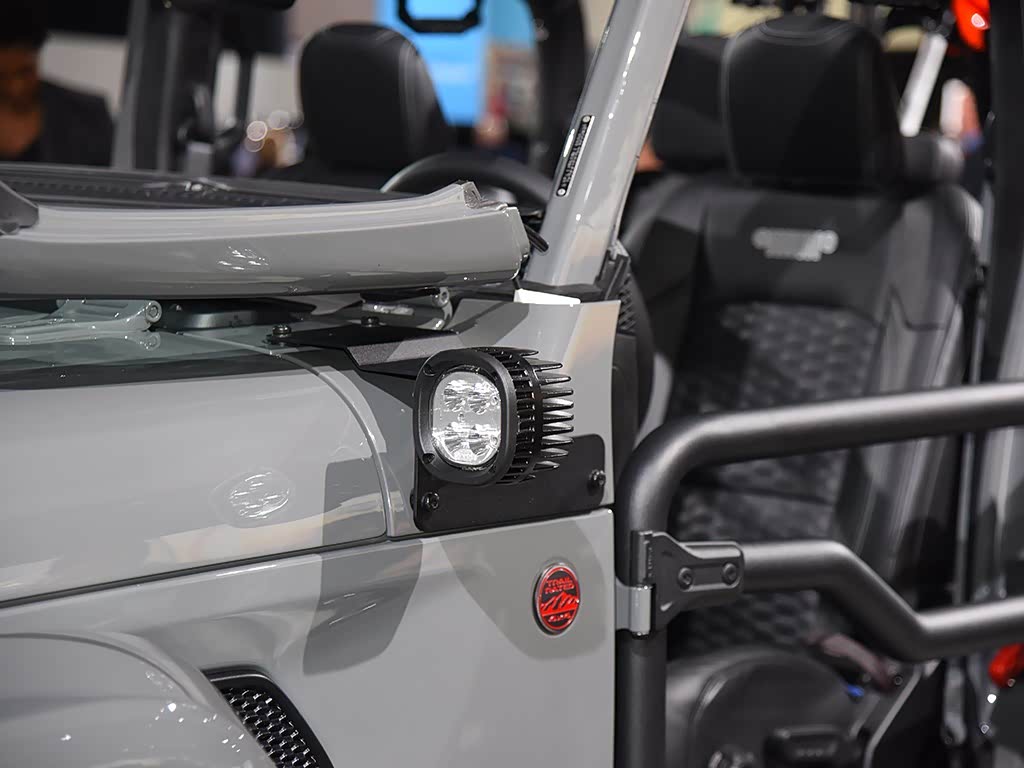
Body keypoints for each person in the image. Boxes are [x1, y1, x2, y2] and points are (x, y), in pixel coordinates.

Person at [0, 3, 114, 166]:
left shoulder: (88, 116)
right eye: (1, 76)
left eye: (25, 71)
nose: (15, 87)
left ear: (37, 55)